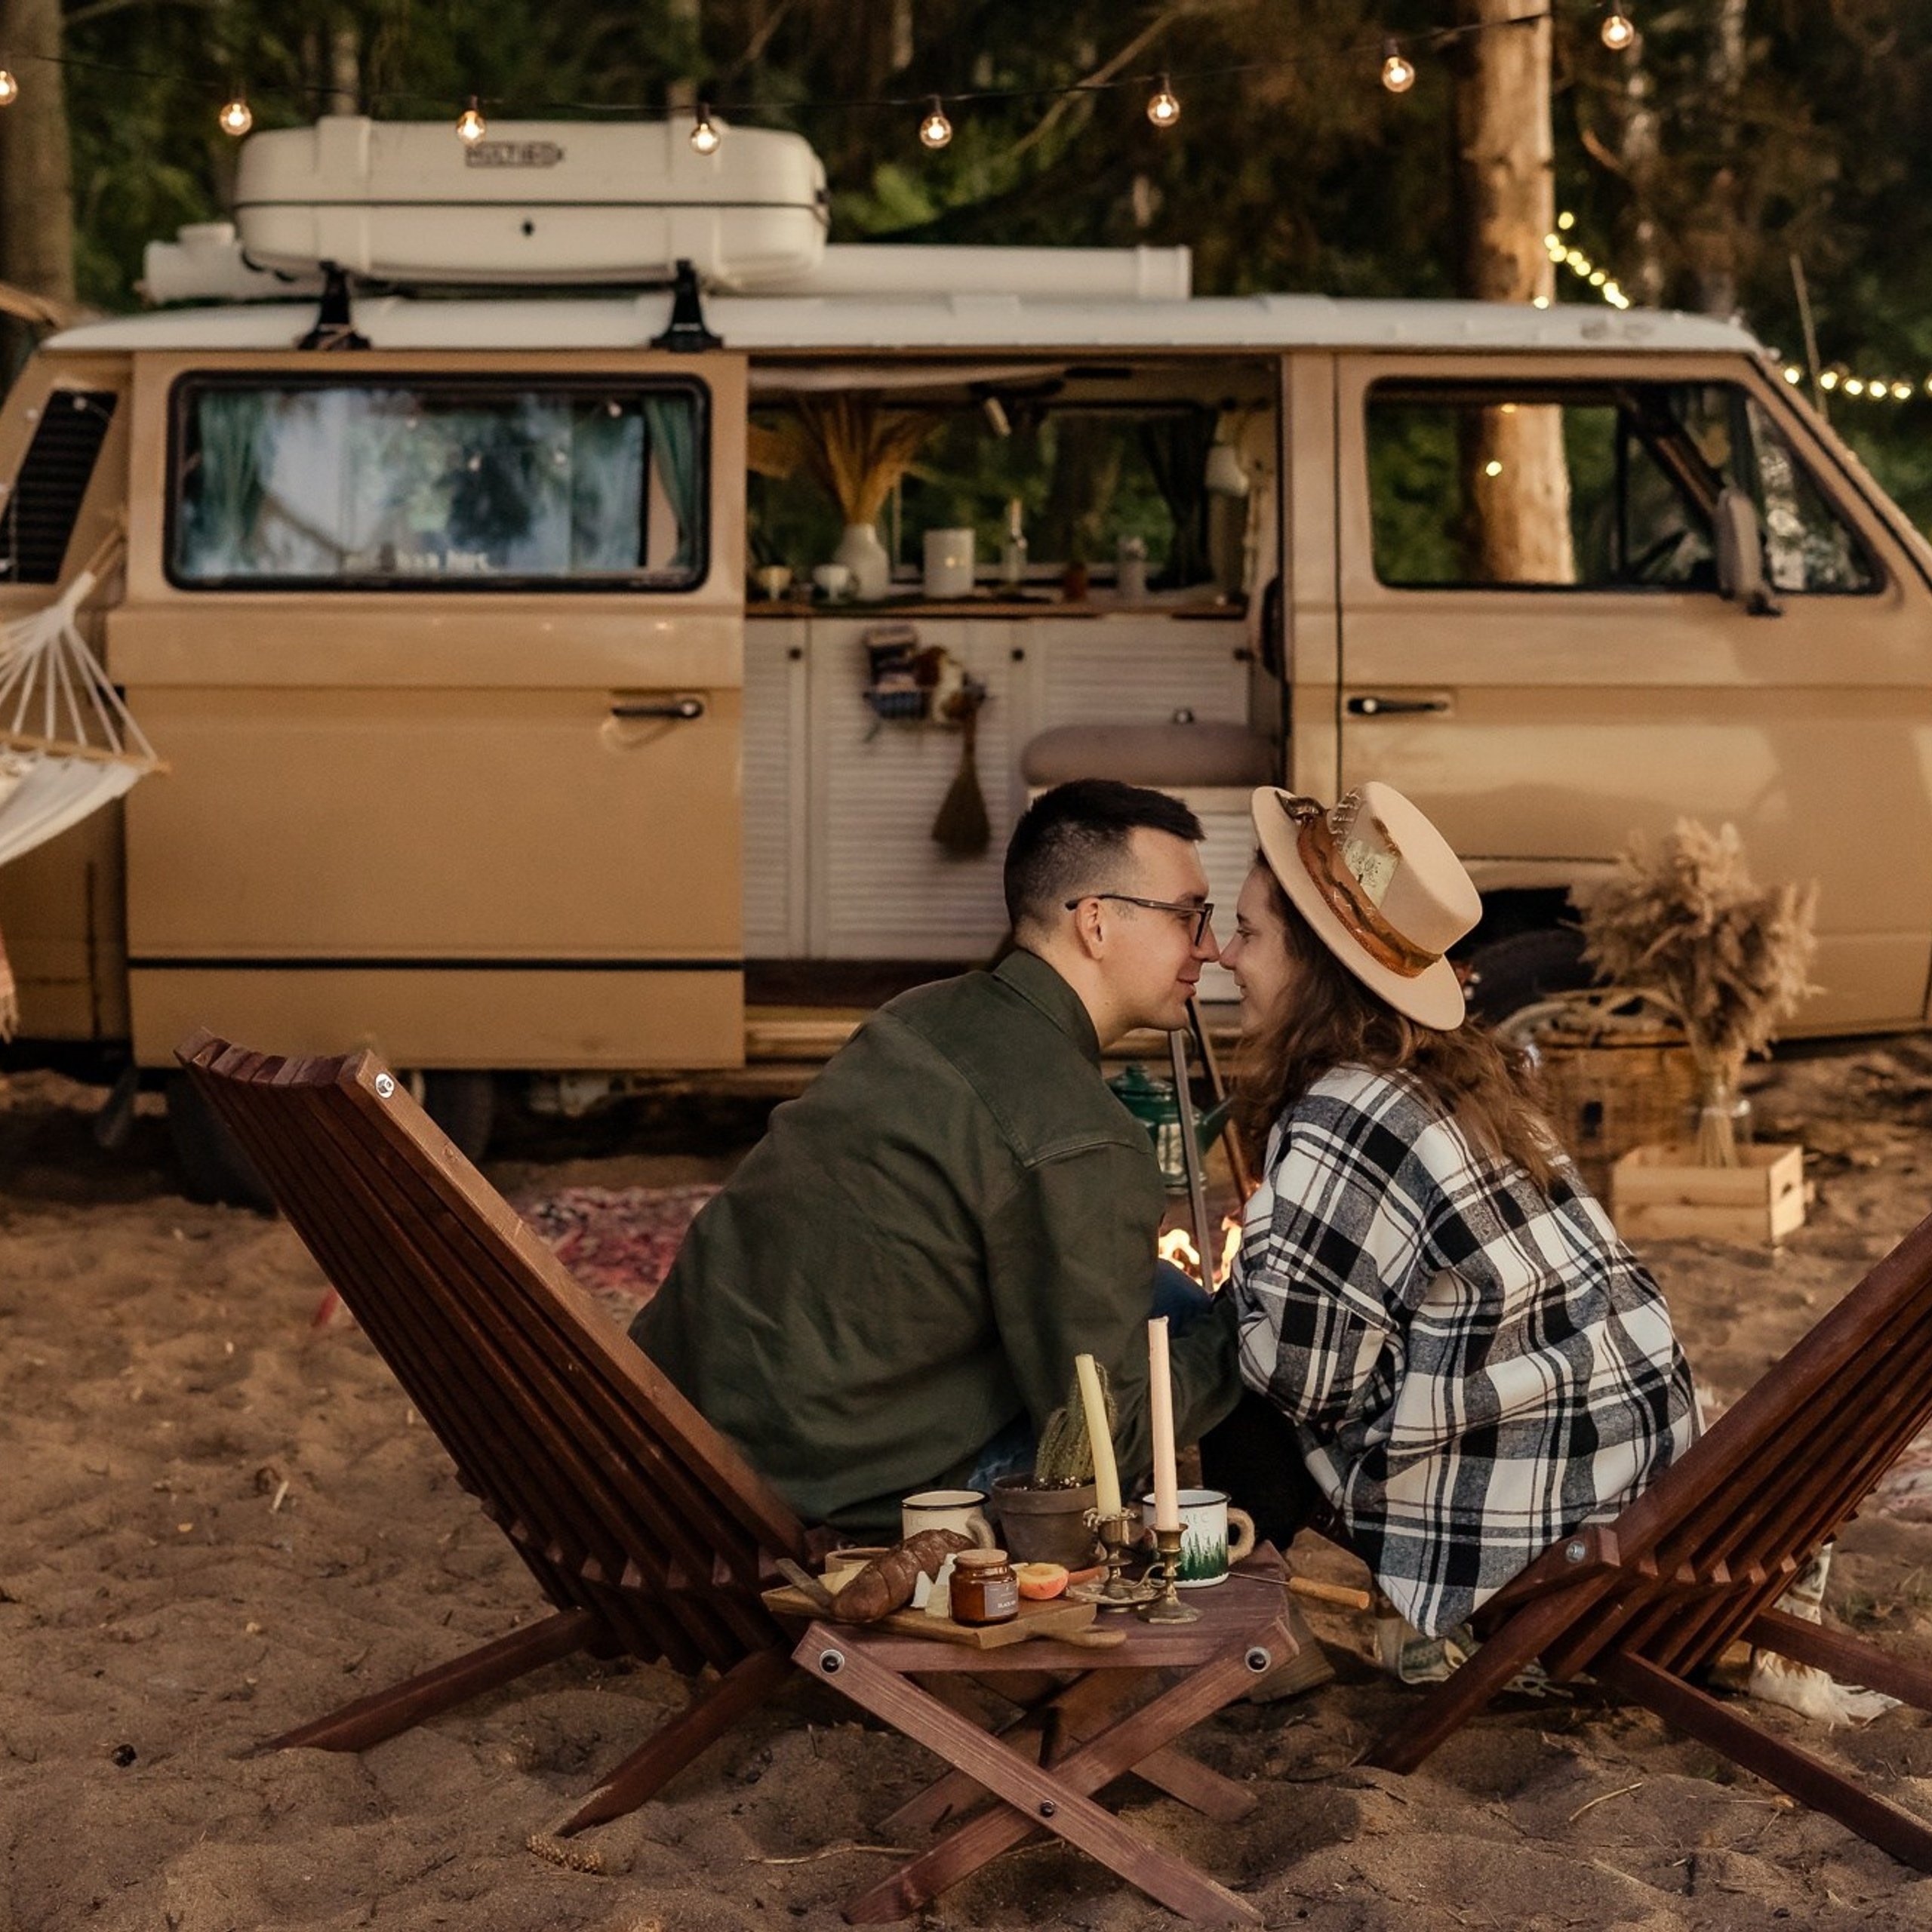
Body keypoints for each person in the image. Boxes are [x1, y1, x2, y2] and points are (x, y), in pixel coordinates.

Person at [631, 778, 1241, 1533]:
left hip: (686, 1436)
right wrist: (1248, 1341)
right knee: (1207, 1343)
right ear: (1095, 923)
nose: (1209, 947)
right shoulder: (1080, 1136)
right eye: (1188, 916)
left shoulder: (920, 1015)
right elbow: (1094, 1439)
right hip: (829, 1492)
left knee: (1172, 1301)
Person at [1202, 781, 1697, 1639]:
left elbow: (1302, 1381)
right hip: (1651, 1485)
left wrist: (1229, 1287)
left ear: (1315, 965)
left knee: (1216, 1375)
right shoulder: (1472, 1078)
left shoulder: (1345, 1111)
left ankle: (1240, 1640)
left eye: (1248, 933)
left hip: (1543, 1525)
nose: (1223, 954)